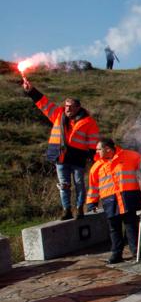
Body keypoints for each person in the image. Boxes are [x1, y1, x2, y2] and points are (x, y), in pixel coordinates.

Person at [23, 79, 100, 220]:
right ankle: (66, 210)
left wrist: (92, 156)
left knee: (79, 184)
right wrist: (31, 91)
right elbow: (44, 104)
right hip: (61, 156)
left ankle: (79, 209)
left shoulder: (89, 121)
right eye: (66, 106)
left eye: (71, 106)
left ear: (78, 108)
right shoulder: (59, 115)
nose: (67, 109)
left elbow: (93, 141)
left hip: (78, 157)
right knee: (63, 185)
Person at [85, 138, 141, 264]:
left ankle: (137, 252)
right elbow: (93, 187)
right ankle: (116, 254)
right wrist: (92, 203)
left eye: (99, 149)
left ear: (108, 149)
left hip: (127, 198)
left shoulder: (131, 156)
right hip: (110, 201)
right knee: (114, 228)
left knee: (131, 226)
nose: (96, 152)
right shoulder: (96, 167)